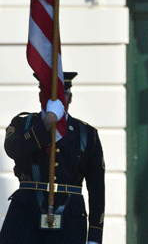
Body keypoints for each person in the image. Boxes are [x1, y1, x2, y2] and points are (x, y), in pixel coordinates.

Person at [0, 72, 105, 244]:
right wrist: (46, 123)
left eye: (61, 94)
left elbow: (97, 190)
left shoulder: (87, 134)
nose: (55, 99)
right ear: (40, 94)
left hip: (69, 223)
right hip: (25, 220)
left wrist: (94, 238)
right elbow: (13, 149)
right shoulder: (23, 124)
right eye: (49, 94)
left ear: (69, 97)